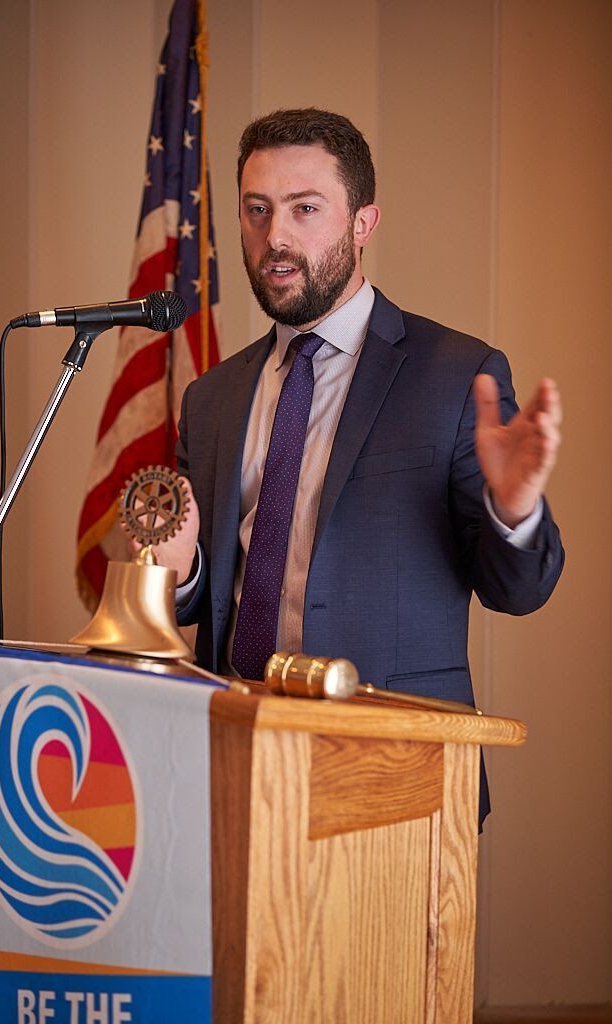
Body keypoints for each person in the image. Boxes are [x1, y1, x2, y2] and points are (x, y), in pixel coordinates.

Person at [159, 108, 564, 823]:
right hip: (232, 769)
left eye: (303, 209)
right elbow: (200, 610)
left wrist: (513, 511)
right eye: (256, 211)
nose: (274, 237)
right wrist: (183, 569)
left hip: (398, 779)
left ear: (362, 224)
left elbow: (517, 592)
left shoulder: (455, 375)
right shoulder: (212, 398)